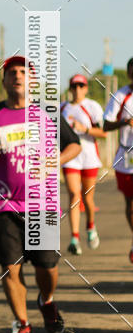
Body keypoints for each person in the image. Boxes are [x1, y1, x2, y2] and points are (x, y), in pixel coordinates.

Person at [0, 56, 81, 333]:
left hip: (42, 204)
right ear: (4, 80)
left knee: (47, 267)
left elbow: (74, 146)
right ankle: (22, 323)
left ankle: (46, 300)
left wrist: (54, 160)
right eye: (12, 73)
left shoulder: (48, 113)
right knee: (10, 266)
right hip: (2, 204)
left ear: (32, 80)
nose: (18, 76)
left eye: (23, 72)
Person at [61, 74, 106, 255]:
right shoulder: (62, 107)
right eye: (74, 86)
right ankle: (74, 238)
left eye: (81, 86)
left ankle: (90, 227)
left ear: (86, 88)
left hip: (89, 158)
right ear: (70, 88)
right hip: (70, 157)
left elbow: (103, 132)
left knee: (87, 199)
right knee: (74, 195)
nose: (77, 89)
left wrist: (84, 129)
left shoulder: (92, 106)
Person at [103, 57, 133, 263]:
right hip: (127, 157)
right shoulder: (121, 95)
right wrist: (125, 122)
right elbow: (106, 125)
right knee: (131, 205)